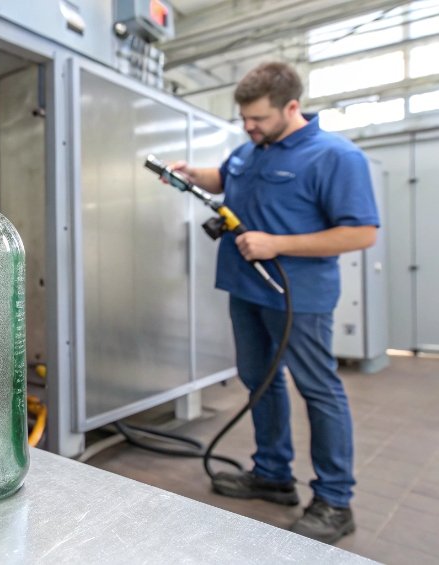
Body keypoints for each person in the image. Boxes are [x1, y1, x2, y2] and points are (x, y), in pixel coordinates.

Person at [169, 61, 379, 544]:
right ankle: (272, 474)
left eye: (258, 118)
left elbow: (361, 232)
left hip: (297, 298)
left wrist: (277, 244)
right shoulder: (252, 150)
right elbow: (225, 177)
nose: (249, 127)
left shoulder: (336, 157)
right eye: (244, 119)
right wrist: (188, 173)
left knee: (318, 389)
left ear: (291, 106)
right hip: (244, 290)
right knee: (260, 382)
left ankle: (334, 500)